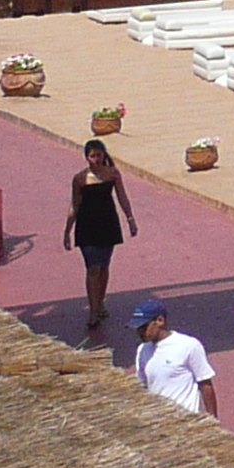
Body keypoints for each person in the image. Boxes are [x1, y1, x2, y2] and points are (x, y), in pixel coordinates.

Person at [62, 139, 138, 332]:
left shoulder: (112, 174)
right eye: (92, 156)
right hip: (87, 225)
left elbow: (122, 196)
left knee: (104, 265)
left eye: (99, 155)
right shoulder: (79, 179)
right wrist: (67, 230)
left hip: (107, 223)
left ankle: (100, 302)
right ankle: (93, 311)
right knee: (92, 267)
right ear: (86, 157)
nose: (96, 159)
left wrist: (130, 219)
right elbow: (75, 204)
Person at [129, 301, 217, 418]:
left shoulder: (188, 345)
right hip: (158, 422)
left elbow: (205, 384)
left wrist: (213, 420)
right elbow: (142, 386)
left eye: (144, 327)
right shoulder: (142, 350)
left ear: (160, 321)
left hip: (186, 421)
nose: (140, 332)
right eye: (138, 328)